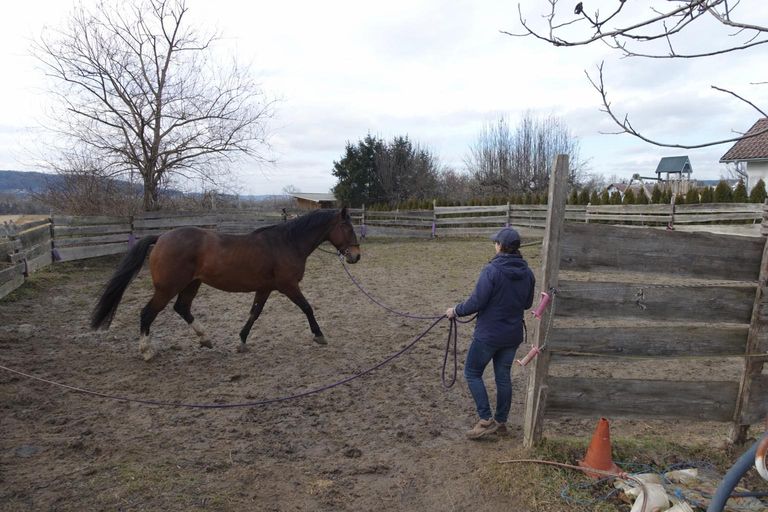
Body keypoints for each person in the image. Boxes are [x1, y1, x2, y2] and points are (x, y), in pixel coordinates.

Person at [446, 227, 535, 440]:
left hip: (489, 335)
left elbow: (476, 302)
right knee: (503, 377)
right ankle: (501, 422)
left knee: (472, 372)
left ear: (501, 246)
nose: (494, 245)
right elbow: (527, 303)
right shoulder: (528, 273)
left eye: (496, 242)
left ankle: (485, 419)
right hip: (512, 335)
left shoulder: (492, 270)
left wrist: (455, 310)